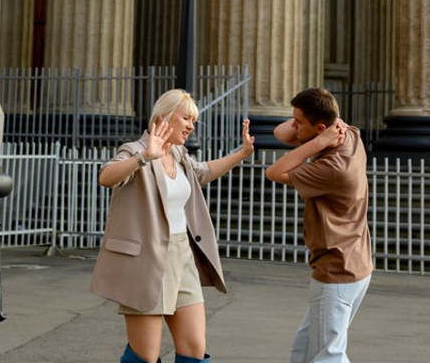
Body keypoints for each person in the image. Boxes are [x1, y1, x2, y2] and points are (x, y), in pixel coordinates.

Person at [92, 89, 255, 363]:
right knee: (145, 355)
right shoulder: (134, 150)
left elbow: (203, 172)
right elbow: (106, 176)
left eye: (194, 120)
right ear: (165, 117)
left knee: (194, 349)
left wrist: (242, 153)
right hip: (146, 261)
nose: (192, 126)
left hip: (183, 257)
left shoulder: (179, 154)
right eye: (187, 118)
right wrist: (144, 156)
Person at [264, 87, 372, 363]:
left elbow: (274, 172)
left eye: (299, 122)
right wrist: (314, 133)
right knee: (303, 351)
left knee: (328, 356)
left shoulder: (334, 167)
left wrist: (313, 143)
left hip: (337, 268)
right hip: (353, 263)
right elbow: (281, 133)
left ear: (322, 128)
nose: (293, 126)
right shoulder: (350, 134)